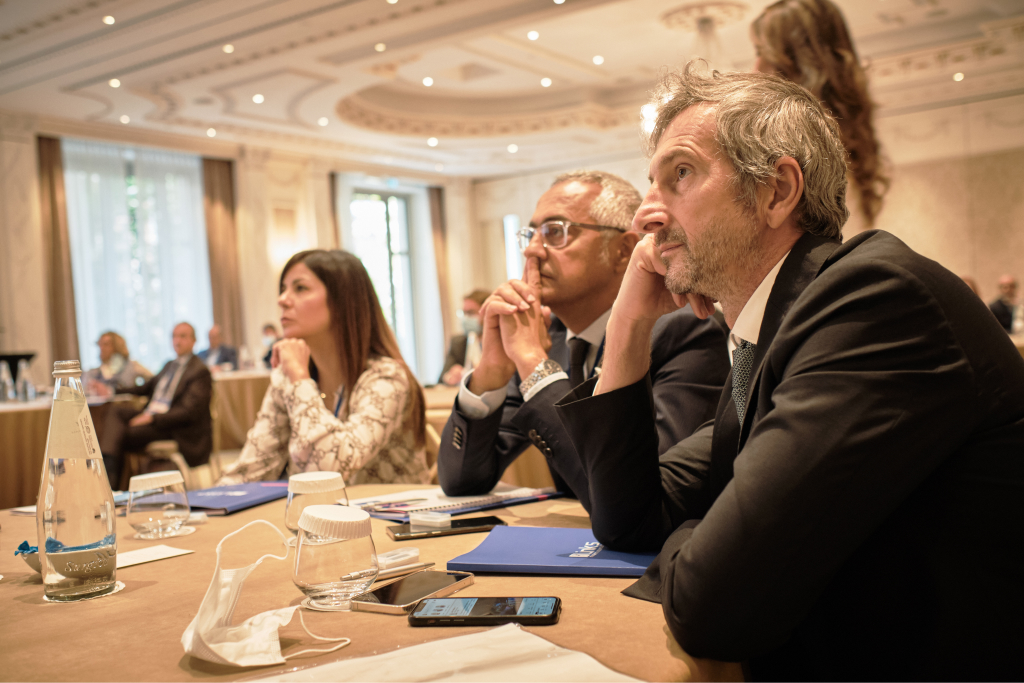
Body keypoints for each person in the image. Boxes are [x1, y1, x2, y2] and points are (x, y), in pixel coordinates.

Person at [552, 64, 1024, 680]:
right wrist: (628, 324)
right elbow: (628, 521)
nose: (645, 216)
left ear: (776, 192)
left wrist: (710, 536)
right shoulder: (770, 332)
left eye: (681, 174)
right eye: (652, 184)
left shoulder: (873, 303)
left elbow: (717, 606)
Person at [437, 170, 729, 509]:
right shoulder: (548, 336)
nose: (532, 251)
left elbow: (639, 499)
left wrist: (535, 366)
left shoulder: (683, 329)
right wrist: (490, 373)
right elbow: (462, 482)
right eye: (531, 234)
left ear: (623, 250)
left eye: (555, 232)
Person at [218, 250, 428, 485]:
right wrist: (207, 503)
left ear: (342, 302)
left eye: (300, 288)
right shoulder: (288, 378)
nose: (282, 300)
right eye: (283, 289)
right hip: (317, 510)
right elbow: (253, 468)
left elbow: (330, 469)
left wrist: (300, 379)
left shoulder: (386, 377)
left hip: (387, 509)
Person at [751, 0, 888, 237]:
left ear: (801, 64)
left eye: (764, 53)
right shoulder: (850, 146)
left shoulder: (794, 149)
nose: (756, 68)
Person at [100, 322, 213, 489]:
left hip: (172, 425)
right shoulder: (170, 365)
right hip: (152, 415)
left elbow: (188, 412)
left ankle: (111, 484)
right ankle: (111, 476)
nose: (177, 341)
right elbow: (145, 388)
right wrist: (111, 390)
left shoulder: (199, 371)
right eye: (174, 336)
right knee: (115, 413)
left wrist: (152, 418)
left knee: (121, 433)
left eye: (182, 336)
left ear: (193, 341)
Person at [439, 289, 490, 386]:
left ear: (487, 313)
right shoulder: (458, 343)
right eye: (464, 313)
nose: (466, 318)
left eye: (471, 313)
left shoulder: (501, 343)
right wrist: (449, 376)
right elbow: (441, 379)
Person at [84, 331, 152, 396]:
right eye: (100, 344)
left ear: (117, 346)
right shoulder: (94, 373)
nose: (102, 348)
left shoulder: (132, 366)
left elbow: (152, 382)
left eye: (106, 344)